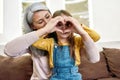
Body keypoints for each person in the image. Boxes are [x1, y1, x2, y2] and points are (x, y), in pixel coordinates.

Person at [32, 10, 100, 80]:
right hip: (56, 76)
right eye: (59, 24)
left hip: (74, 76)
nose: (64, 28)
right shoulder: (51, 43)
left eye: (68, 24)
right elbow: (34, 42)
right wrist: (48, 29)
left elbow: (96, 37)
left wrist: (79, 27)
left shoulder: (76, 41)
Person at [4, 2, 55, 80]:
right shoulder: (33, 41)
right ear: (32, 26)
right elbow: (8, 50)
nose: (47, 23)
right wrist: (45, 30)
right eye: (40, 22)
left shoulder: (64, 35)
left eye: (48, 17)